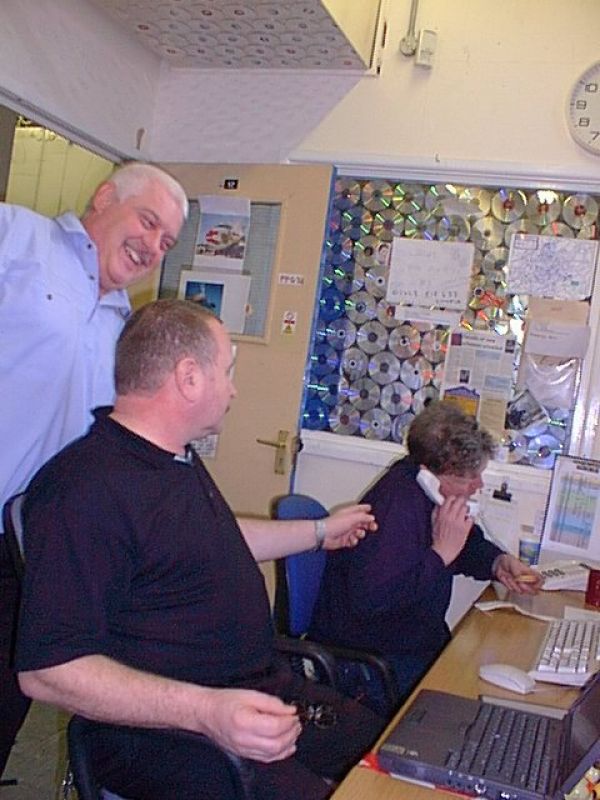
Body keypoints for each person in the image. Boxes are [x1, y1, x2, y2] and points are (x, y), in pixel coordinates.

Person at [15, 300, 383, 800]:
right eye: (227, 371)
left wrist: (318, 532)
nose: (232, 390)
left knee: (393, 752)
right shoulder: (83, 491)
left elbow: (215, 543)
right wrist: (207, 711)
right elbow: (48, 672)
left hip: (249, 692)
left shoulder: (171, 461)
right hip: (166, 737)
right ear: (189, 378)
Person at [0, 163, 188, 778]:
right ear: (105, 197)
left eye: (167, 241)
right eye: (148, 221)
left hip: (28, 554)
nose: (153, 245)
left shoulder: (122, 327)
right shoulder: (16, 239)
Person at [309, 403, 543, 703]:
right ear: (432, 473)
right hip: (369, 662)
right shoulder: (396, 506)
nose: (477, 485)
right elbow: (372, 600)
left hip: (415, 644)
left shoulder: (429, 494)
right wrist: (439, 555)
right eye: (468, 477)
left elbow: (467, 543)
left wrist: (497, 562)